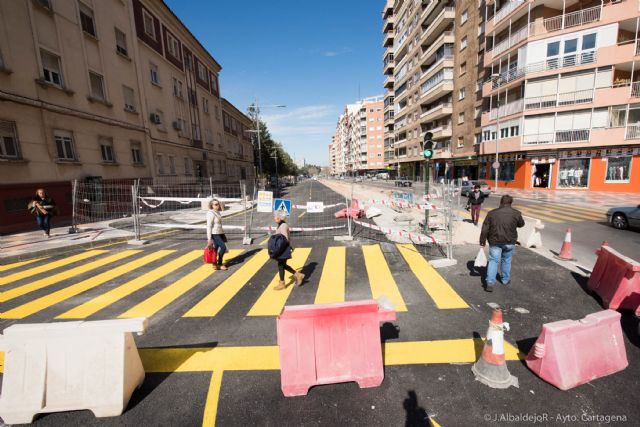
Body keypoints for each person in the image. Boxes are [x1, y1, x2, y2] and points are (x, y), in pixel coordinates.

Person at [479, 195, 525, 292]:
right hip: (510, 241)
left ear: (501, 202)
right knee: (506, 260)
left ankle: (490, 282)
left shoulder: (491, 213)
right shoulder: (516, 213)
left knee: (493, 261)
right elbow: (521, 224)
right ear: (510, 203)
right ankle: (505, 280)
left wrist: (482, 241)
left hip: (495, 241)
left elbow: (485, 228)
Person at [273, 210, 304, 290]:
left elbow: (285, 239)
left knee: (281, 265)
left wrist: (279, 249)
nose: (274, 218)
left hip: (283, 249)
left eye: (276, 217)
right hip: (283, 248)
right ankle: (297, 275)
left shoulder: (283, 226)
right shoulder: (281, 224)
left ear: (280, 218)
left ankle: (282, 283)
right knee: (282, 265)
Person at [206, 199, 228, 270]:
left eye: (218, 204)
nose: (217, 205)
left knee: (215, 249)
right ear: (211, 205)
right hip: (215, 233)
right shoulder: (210, 213)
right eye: (215, 204)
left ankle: (214, 263)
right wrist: (209, 239)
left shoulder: (217, 212)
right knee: (223, 247)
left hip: (220, 233)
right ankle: (220, 264)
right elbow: (209, 226)